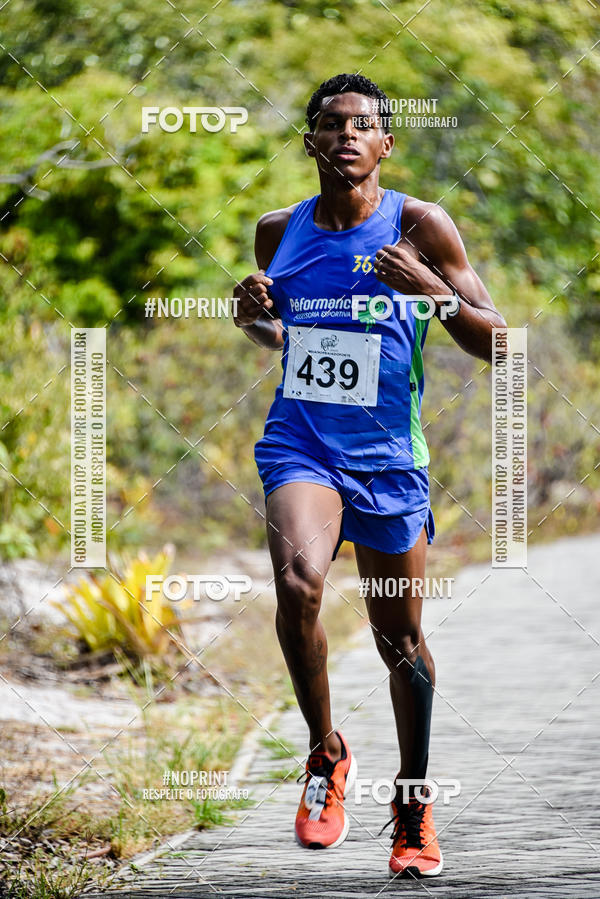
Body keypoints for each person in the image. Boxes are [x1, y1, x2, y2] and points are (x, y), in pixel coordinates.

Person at [233, 73, 505, 878]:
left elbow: (499, 343)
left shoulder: (421, 224)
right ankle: (324, 755)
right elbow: (270, 330)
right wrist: (251, 313)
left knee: (401, 642)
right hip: (302, 441)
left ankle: (413, 802)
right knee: (299, 581)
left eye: (364, 126)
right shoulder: (277, 229)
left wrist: (431, 292)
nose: (347, 135)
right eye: (331, 124)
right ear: (311, 141)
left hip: (388, 458)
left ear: (386, 144)